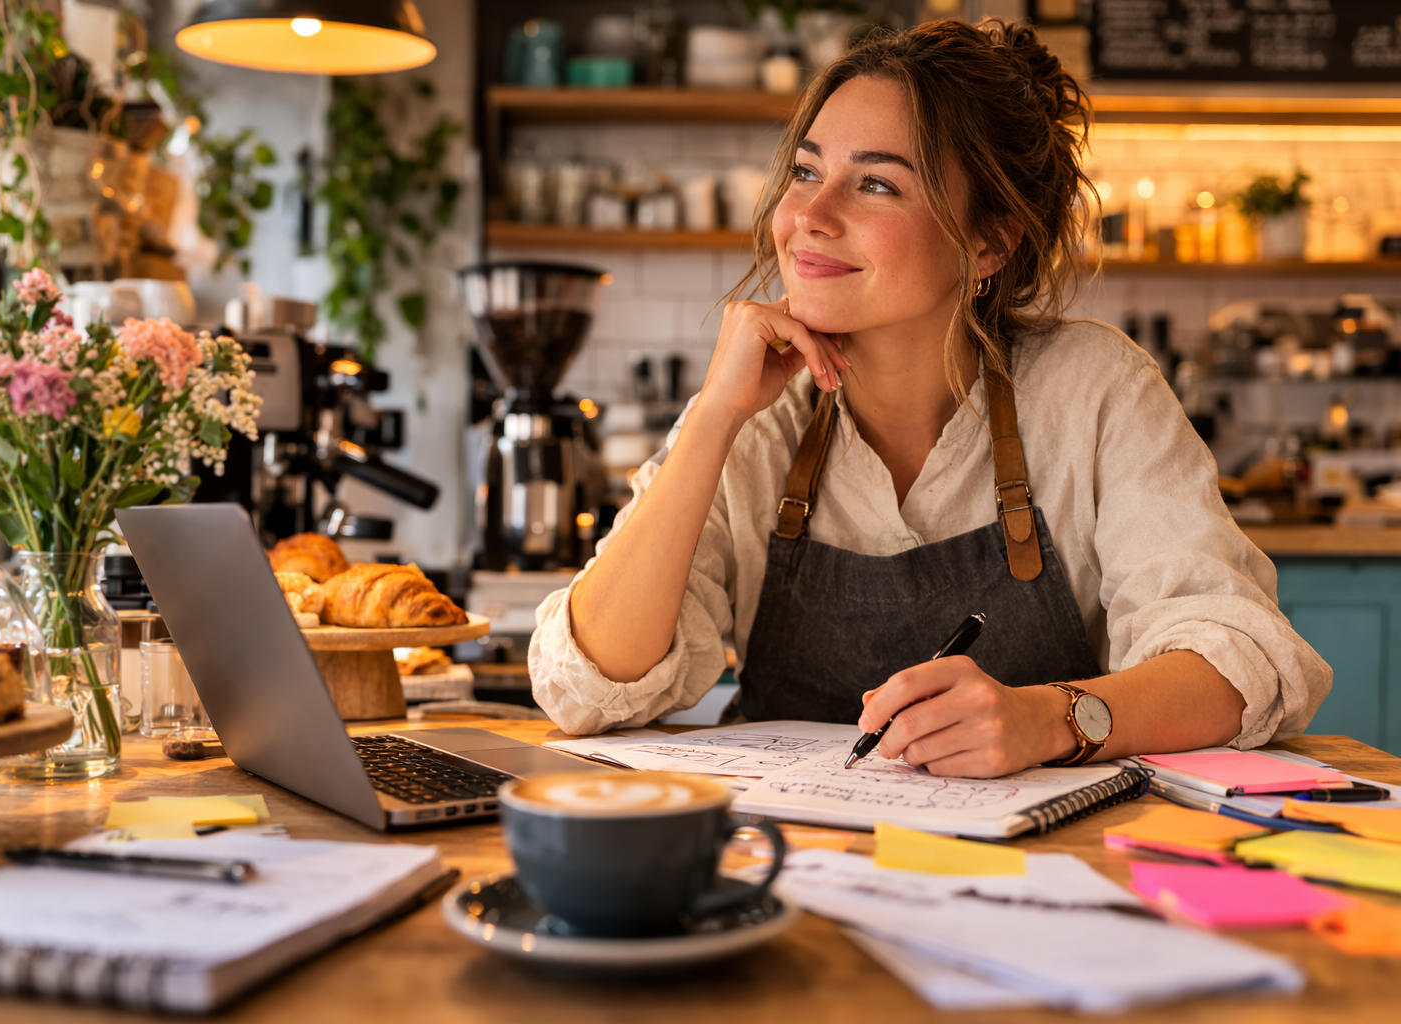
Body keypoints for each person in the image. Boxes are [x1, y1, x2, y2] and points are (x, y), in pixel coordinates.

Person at [529, 18, 1331, 778]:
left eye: (874, 184)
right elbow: (590, 687)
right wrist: (711, 418)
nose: (808, 215)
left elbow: (1237, 659)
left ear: (989, 241)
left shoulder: (1093, 390)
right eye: (806, 172)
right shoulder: (755, 411)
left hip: (1033, 874)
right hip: (782, 858)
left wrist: (1047, 720)